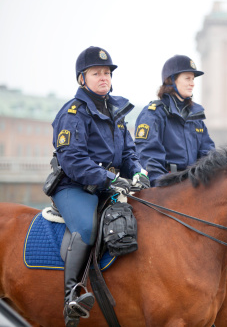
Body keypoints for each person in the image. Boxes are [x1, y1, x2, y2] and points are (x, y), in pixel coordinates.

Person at [49, 46, 149, 326]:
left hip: (108, 186)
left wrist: (139, 172)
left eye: (106, 72)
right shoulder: (72, 113)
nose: (103, 77)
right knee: (86, 228)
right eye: (96, 73)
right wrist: (112, 180)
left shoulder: (116, 110)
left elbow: (129, 153)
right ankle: (72, 297)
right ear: (83, 78)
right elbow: (74, 160)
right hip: (74, 187)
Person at [134, 55, 215, 186]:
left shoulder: (196, 116)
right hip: (167, 187)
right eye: (187, 78)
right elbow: (149, 156)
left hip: (193, 185)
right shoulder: (153, 114)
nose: (192, 83)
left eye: (193, 79)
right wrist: (163, 186)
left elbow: (208, 153)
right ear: (171, 80)